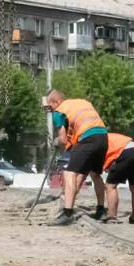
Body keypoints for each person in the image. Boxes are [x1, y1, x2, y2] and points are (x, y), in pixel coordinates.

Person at [45, 90, 108, 226]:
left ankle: (67, 213)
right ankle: (101, 210)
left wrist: (55, 141)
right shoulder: (82, 102)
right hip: (103, 137)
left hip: (87, 138)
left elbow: (62, 139)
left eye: (50, 107)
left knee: (69, 173)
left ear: (55, 102)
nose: (51, 111)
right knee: (96, 175)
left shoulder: (60, 111)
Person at [101, 132, 134, 224]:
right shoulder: (106, 136)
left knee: (110, 186)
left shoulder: (97, 140)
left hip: (125, 151)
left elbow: (104, 160)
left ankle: (112, 216)